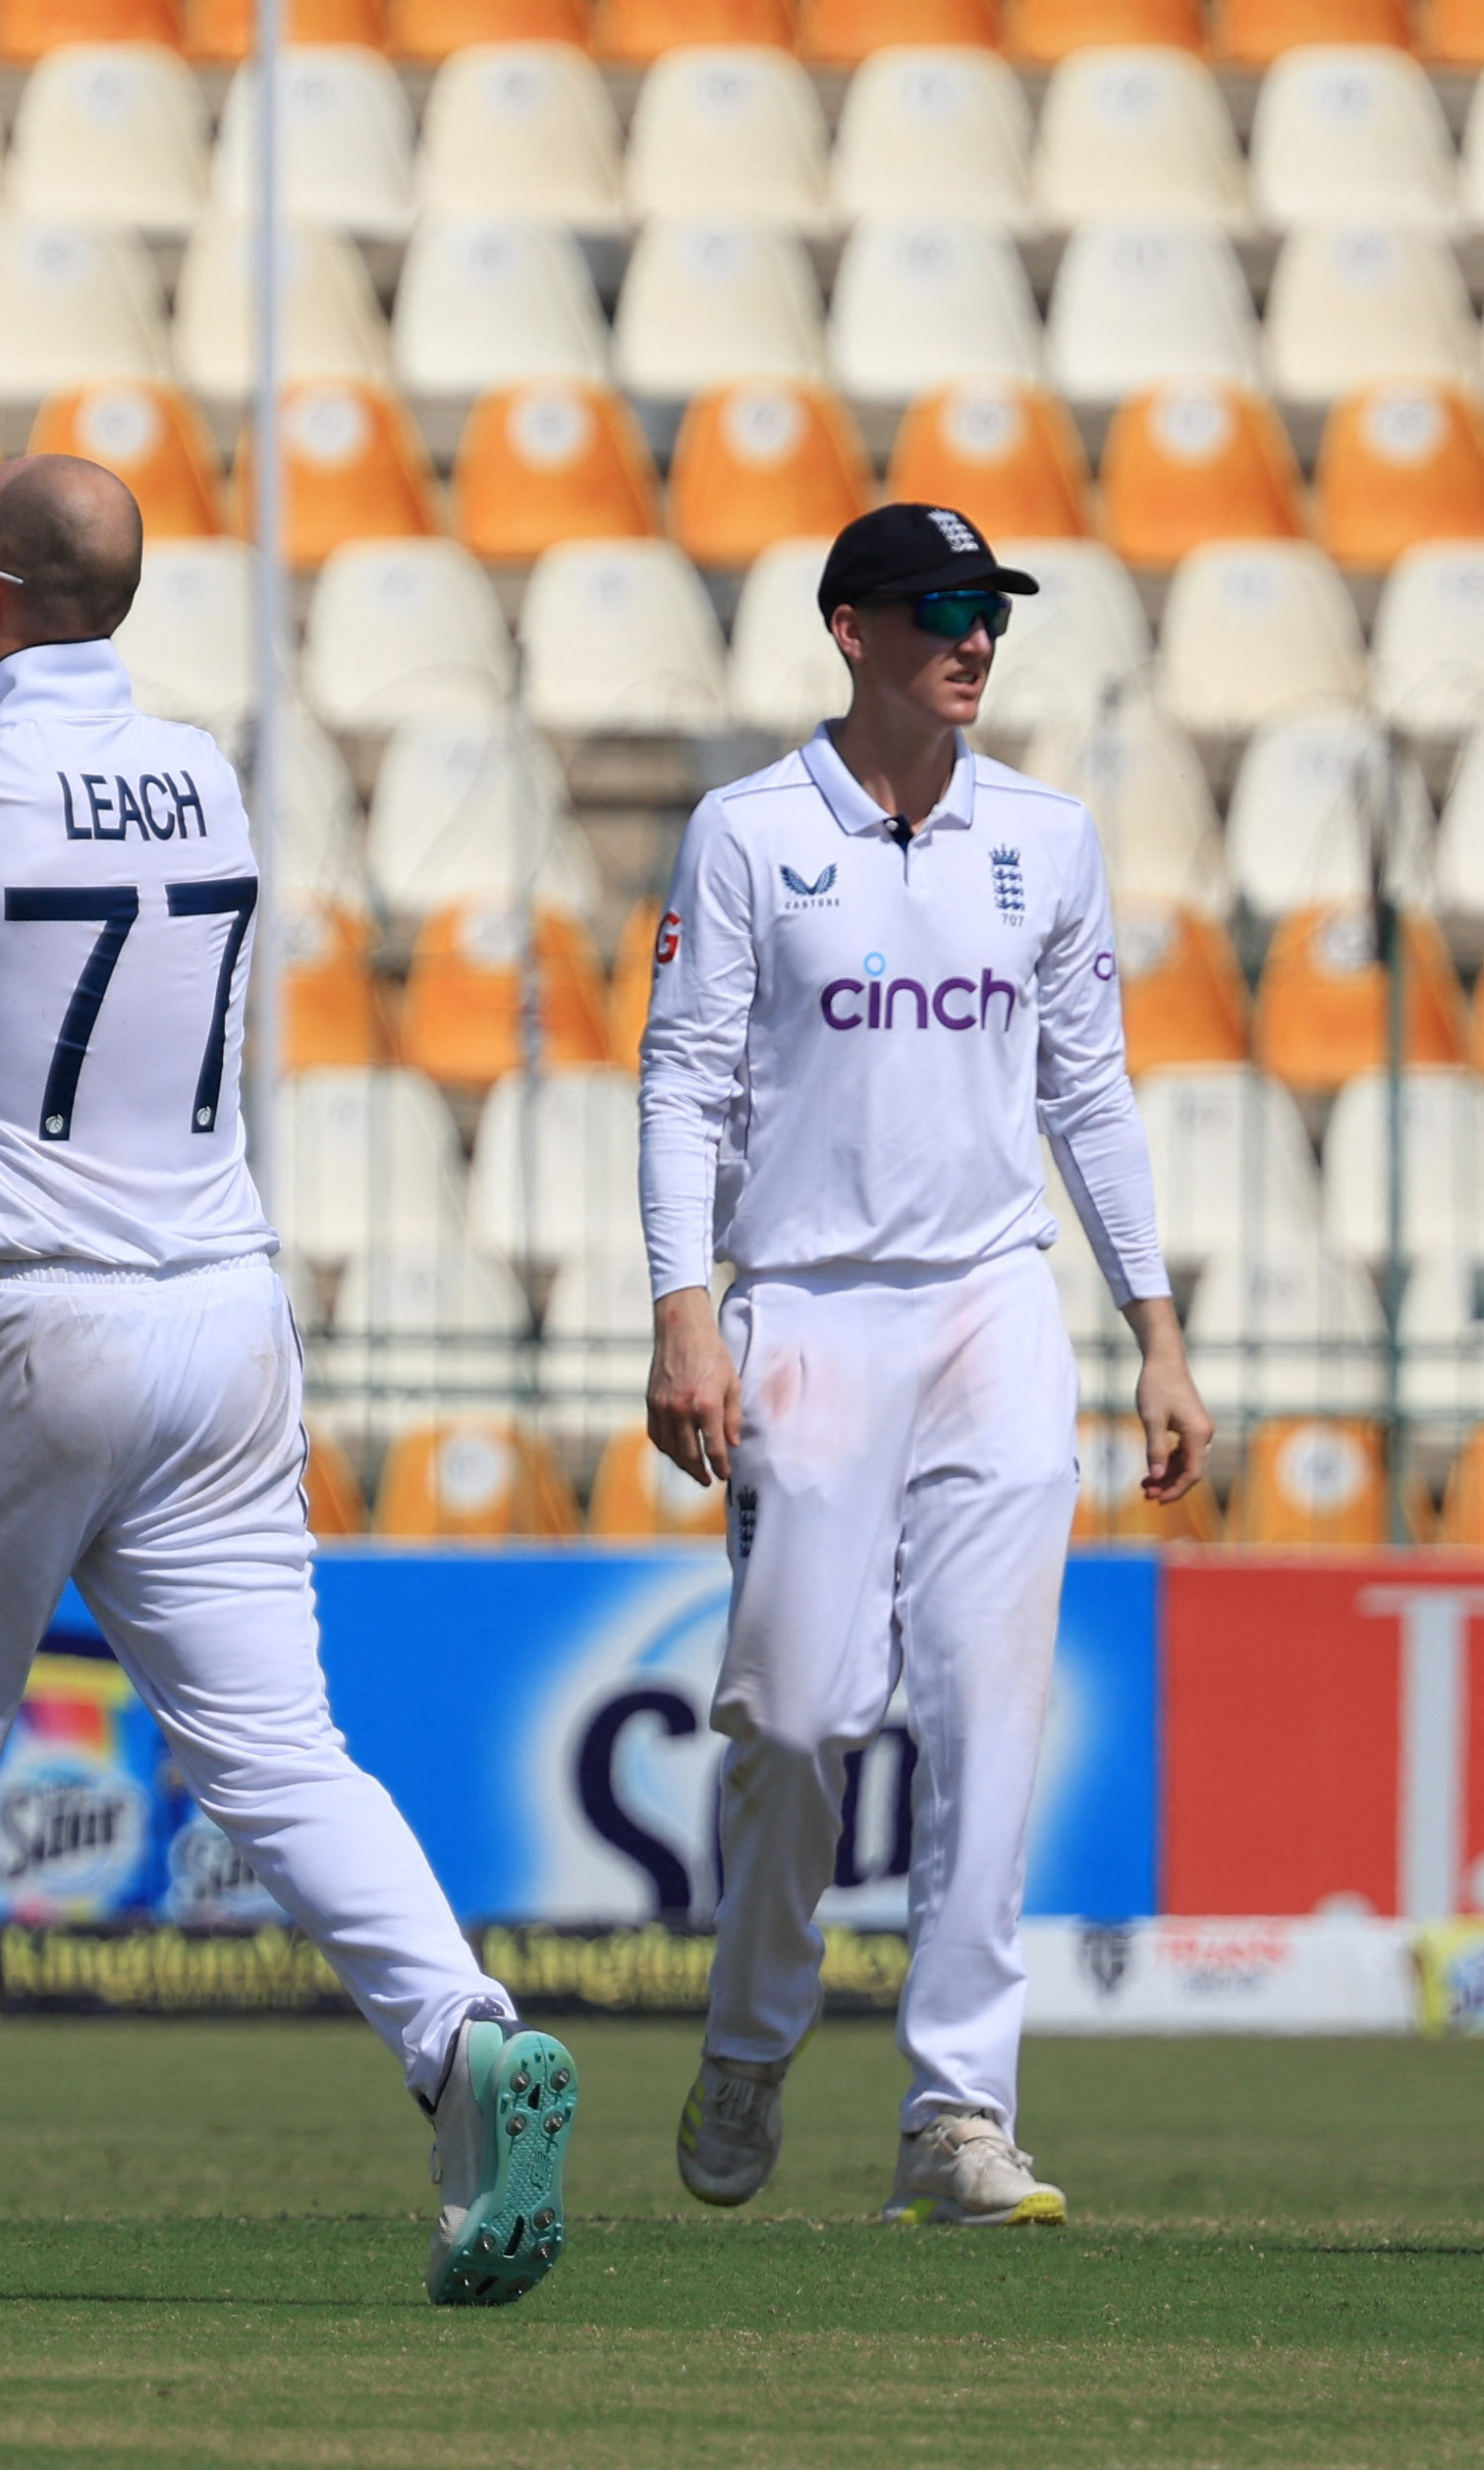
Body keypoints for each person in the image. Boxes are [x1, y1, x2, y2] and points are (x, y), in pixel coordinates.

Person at [0, 365, 576, 2306]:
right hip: (219, 1326)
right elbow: (25, 737)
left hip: (21, 1326)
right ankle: (462, 2033)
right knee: (281, 1753)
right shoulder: (205, 778)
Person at [640, 502, 1213, 2228]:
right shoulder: (748, 832)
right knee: (795, 1717)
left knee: (987, 1712)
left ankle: (957, 2112)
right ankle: (752, 2032)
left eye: (991, 610)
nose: (974, 637)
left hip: (989, 1309)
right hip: (805, 1309)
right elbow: (681, 1079)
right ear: (851, 629)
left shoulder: (1045, 836)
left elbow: (1087, 1092)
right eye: (943, 606)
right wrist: (682, 1308)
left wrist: (1155, 1330)